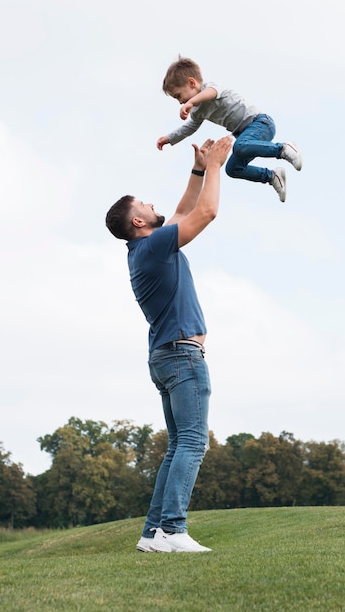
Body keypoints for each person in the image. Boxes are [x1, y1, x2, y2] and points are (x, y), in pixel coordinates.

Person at [105, 135, 232, 553]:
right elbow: (206, 212)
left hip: (165, 356)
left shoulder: (144, 249)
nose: (151, 204)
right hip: (181, 355)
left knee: (179, 444)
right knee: (194, 442)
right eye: (143, 204)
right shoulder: (154, 246)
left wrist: (197, 168)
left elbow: (181, 211)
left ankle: (152, 533)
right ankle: (173, 531)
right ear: (138, 222)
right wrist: (216, 165)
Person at [157, 56, 303, 203]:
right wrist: (169, 138)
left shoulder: (211, 87)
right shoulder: (197, 111)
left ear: (192, 83)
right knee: (232, 169)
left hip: (261, 123)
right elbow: (189, 127)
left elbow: (211, 93)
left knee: (239, 146)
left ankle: (284, 148)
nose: (180, 101)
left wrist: (191, 102)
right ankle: (272, 176)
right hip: (246, 137)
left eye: (178, 96)